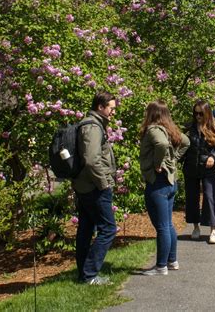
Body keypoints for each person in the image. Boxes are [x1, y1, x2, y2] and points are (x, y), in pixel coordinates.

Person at [139, 100, 190, 275]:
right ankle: (172, 260)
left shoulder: (154, 129)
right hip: (170, 182)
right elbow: (186, 141)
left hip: (158, 183)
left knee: (162, 226)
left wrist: (157, 163)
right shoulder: (170, 129)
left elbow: (161, 144)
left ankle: (161, 266)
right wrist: (174, 158)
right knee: (168, 224)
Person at [73, 91, 118, 285]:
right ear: (100, 107)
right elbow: (91, 161)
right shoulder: (93, 127)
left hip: (86, 186)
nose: (113, 112)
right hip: (94, 187)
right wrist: (104, 183)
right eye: (111, 108)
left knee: (85, 229)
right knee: (108, 229)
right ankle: (90, 274)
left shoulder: (92, 124)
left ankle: (84, 274)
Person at [181, 100, 215, 244]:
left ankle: (213, 229)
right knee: (192, 198)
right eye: (196, 113)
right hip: (191, 167)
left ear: (206, 113)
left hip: (208, 168)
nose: (198, 116)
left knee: (209, 196)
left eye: (201, 113)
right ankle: (195, 227)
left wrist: (213, 157)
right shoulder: (189, 128)